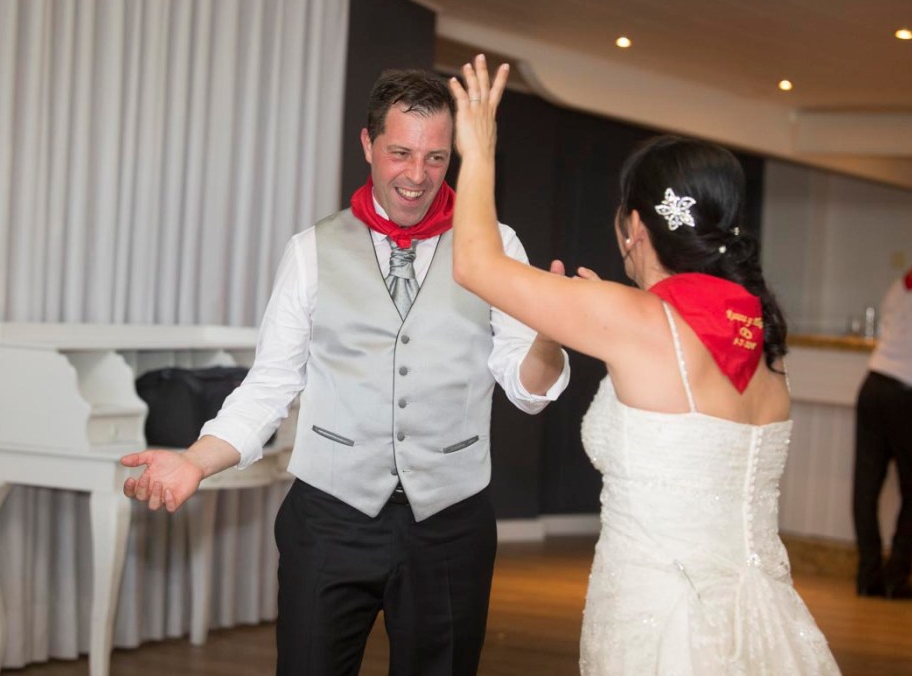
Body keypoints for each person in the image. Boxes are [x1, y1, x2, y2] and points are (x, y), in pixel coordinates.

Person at [120, 67, 569, 675]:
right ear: (367, 144)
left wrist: (550, 335)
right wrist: (194, 461)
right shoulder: (311, 251)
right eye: (400, 153)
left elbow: (528, 389)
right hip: (330, 520)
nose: (417, 175)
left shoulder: (497, 247)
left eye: (436, 158)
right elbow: (271, 385)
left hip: (450, 526)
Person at [447, 55, 840, 674]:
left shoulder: (636, 319)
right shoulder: (762, 336)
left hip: (659, 618)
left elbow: (474, 263)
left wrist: (478, 150)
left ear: (634, 226)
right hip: (762, 616)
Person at [853, 225, 912, 599]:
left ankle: (868, 575)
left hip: (874, 386)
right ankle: (896, 576)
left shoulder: (900, 285)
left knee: (866, 486)